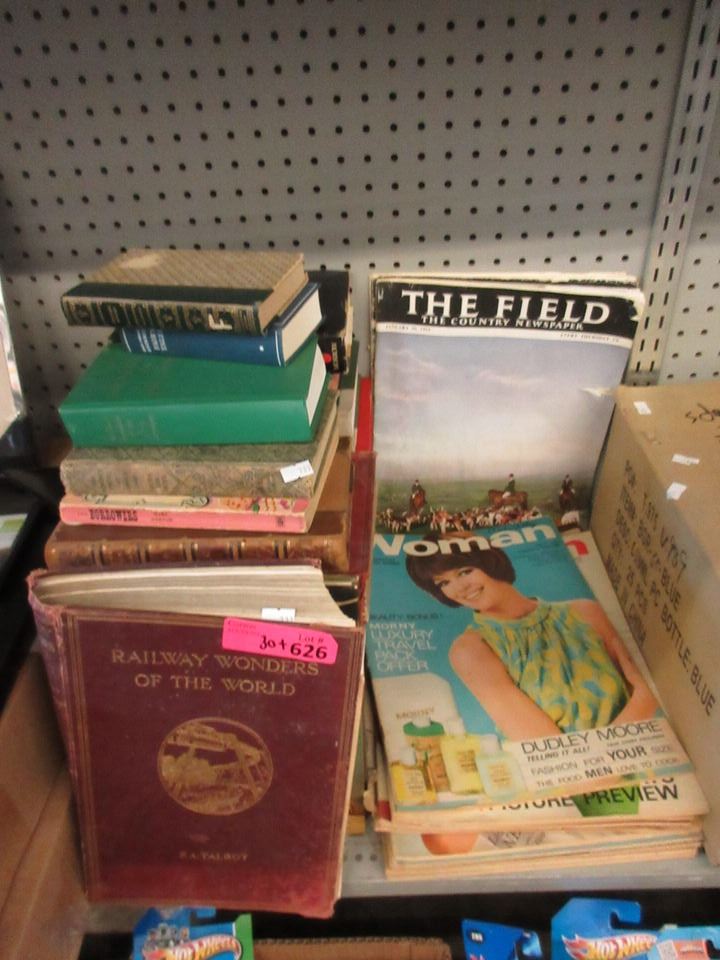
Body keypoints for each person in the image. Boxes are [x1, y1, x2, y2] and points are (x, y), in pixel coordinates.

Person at [405, 536, 659, 741]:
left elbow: (649, 700)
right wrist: (643, 703)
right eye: (443, 583)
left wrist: (643, 701)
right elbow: (559, 761)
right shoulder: (471, 650)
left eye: (465, 571)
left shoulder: (586, 613)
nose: (459, 588)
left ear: (489, 562)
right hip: (571, 788)